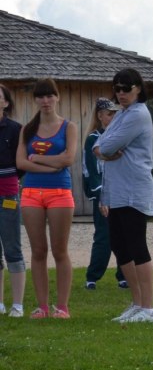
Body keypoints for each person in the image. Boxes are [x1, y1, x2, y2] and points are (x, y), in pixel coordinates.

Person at [94, 68, 153, 323]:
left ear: (138, 88)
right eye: (117, 89)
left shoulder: (138, 114)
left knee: (136, 245)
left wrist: (103, 150)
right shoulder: (122, 114)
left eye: (126, 88)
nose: (121, 94)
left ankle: (149, 308)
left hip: (134, 189)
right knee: (120, 247)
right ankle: (137, 302)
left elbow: (107, 145)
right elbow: (99, 144)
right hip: (117, 190)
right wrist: (102, 150)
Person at [15, 78, 78, 319]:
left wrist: (39, 159)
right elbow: (21, 162)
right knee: (38, 251)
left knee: (60, 251)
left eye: (50, 95)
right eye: (40, 96)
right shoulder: (27, 129)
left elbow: (68, 159)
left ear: (57, 97)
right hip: (31, 193)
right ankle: (42, 307)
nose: (45, 101)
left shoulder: (69, 127)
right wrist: (52, 166)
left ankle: (62, 307)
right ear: (35, 100)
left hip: (60, 193)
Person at [82, 97, 127, 290]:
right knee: (103, 236)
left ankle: (124, 275)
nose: (113, 117)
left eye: (115, 114)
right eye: (110, 114)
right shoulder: (93, 139)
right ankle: (92, 276)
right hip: (103, 194)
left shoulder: (121, 136)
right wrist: (100, 196)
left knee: (123, 234)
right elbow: (91, 170)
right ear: (100, 116)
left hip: (122, 192)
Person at [0, 84, 26, 318]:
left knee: (12, 248)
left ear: (6, 103)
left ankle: (17, 305)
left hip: (8, 195)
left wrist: (11, 181)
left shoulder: (15, 129)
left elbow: (22, 163)